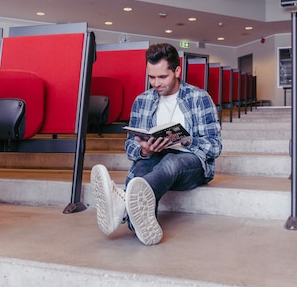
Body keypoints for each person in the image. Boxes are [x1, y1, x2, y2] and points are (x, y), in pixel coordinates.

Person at [90, 43, 222, 246]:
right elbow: (129, 147)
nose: (156, 83)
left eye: (162, 77)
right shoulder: (142, 101)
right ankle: (141, 221)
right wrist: (144, 149)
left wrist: (185, 140)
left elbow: (214, 146)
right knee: (144, 163)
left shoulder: (199, 98)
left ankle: (122, 204)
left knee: (171, 159)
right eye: (151, 77)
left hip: (191, 167)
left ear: (177, 71)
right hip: (156, 163)